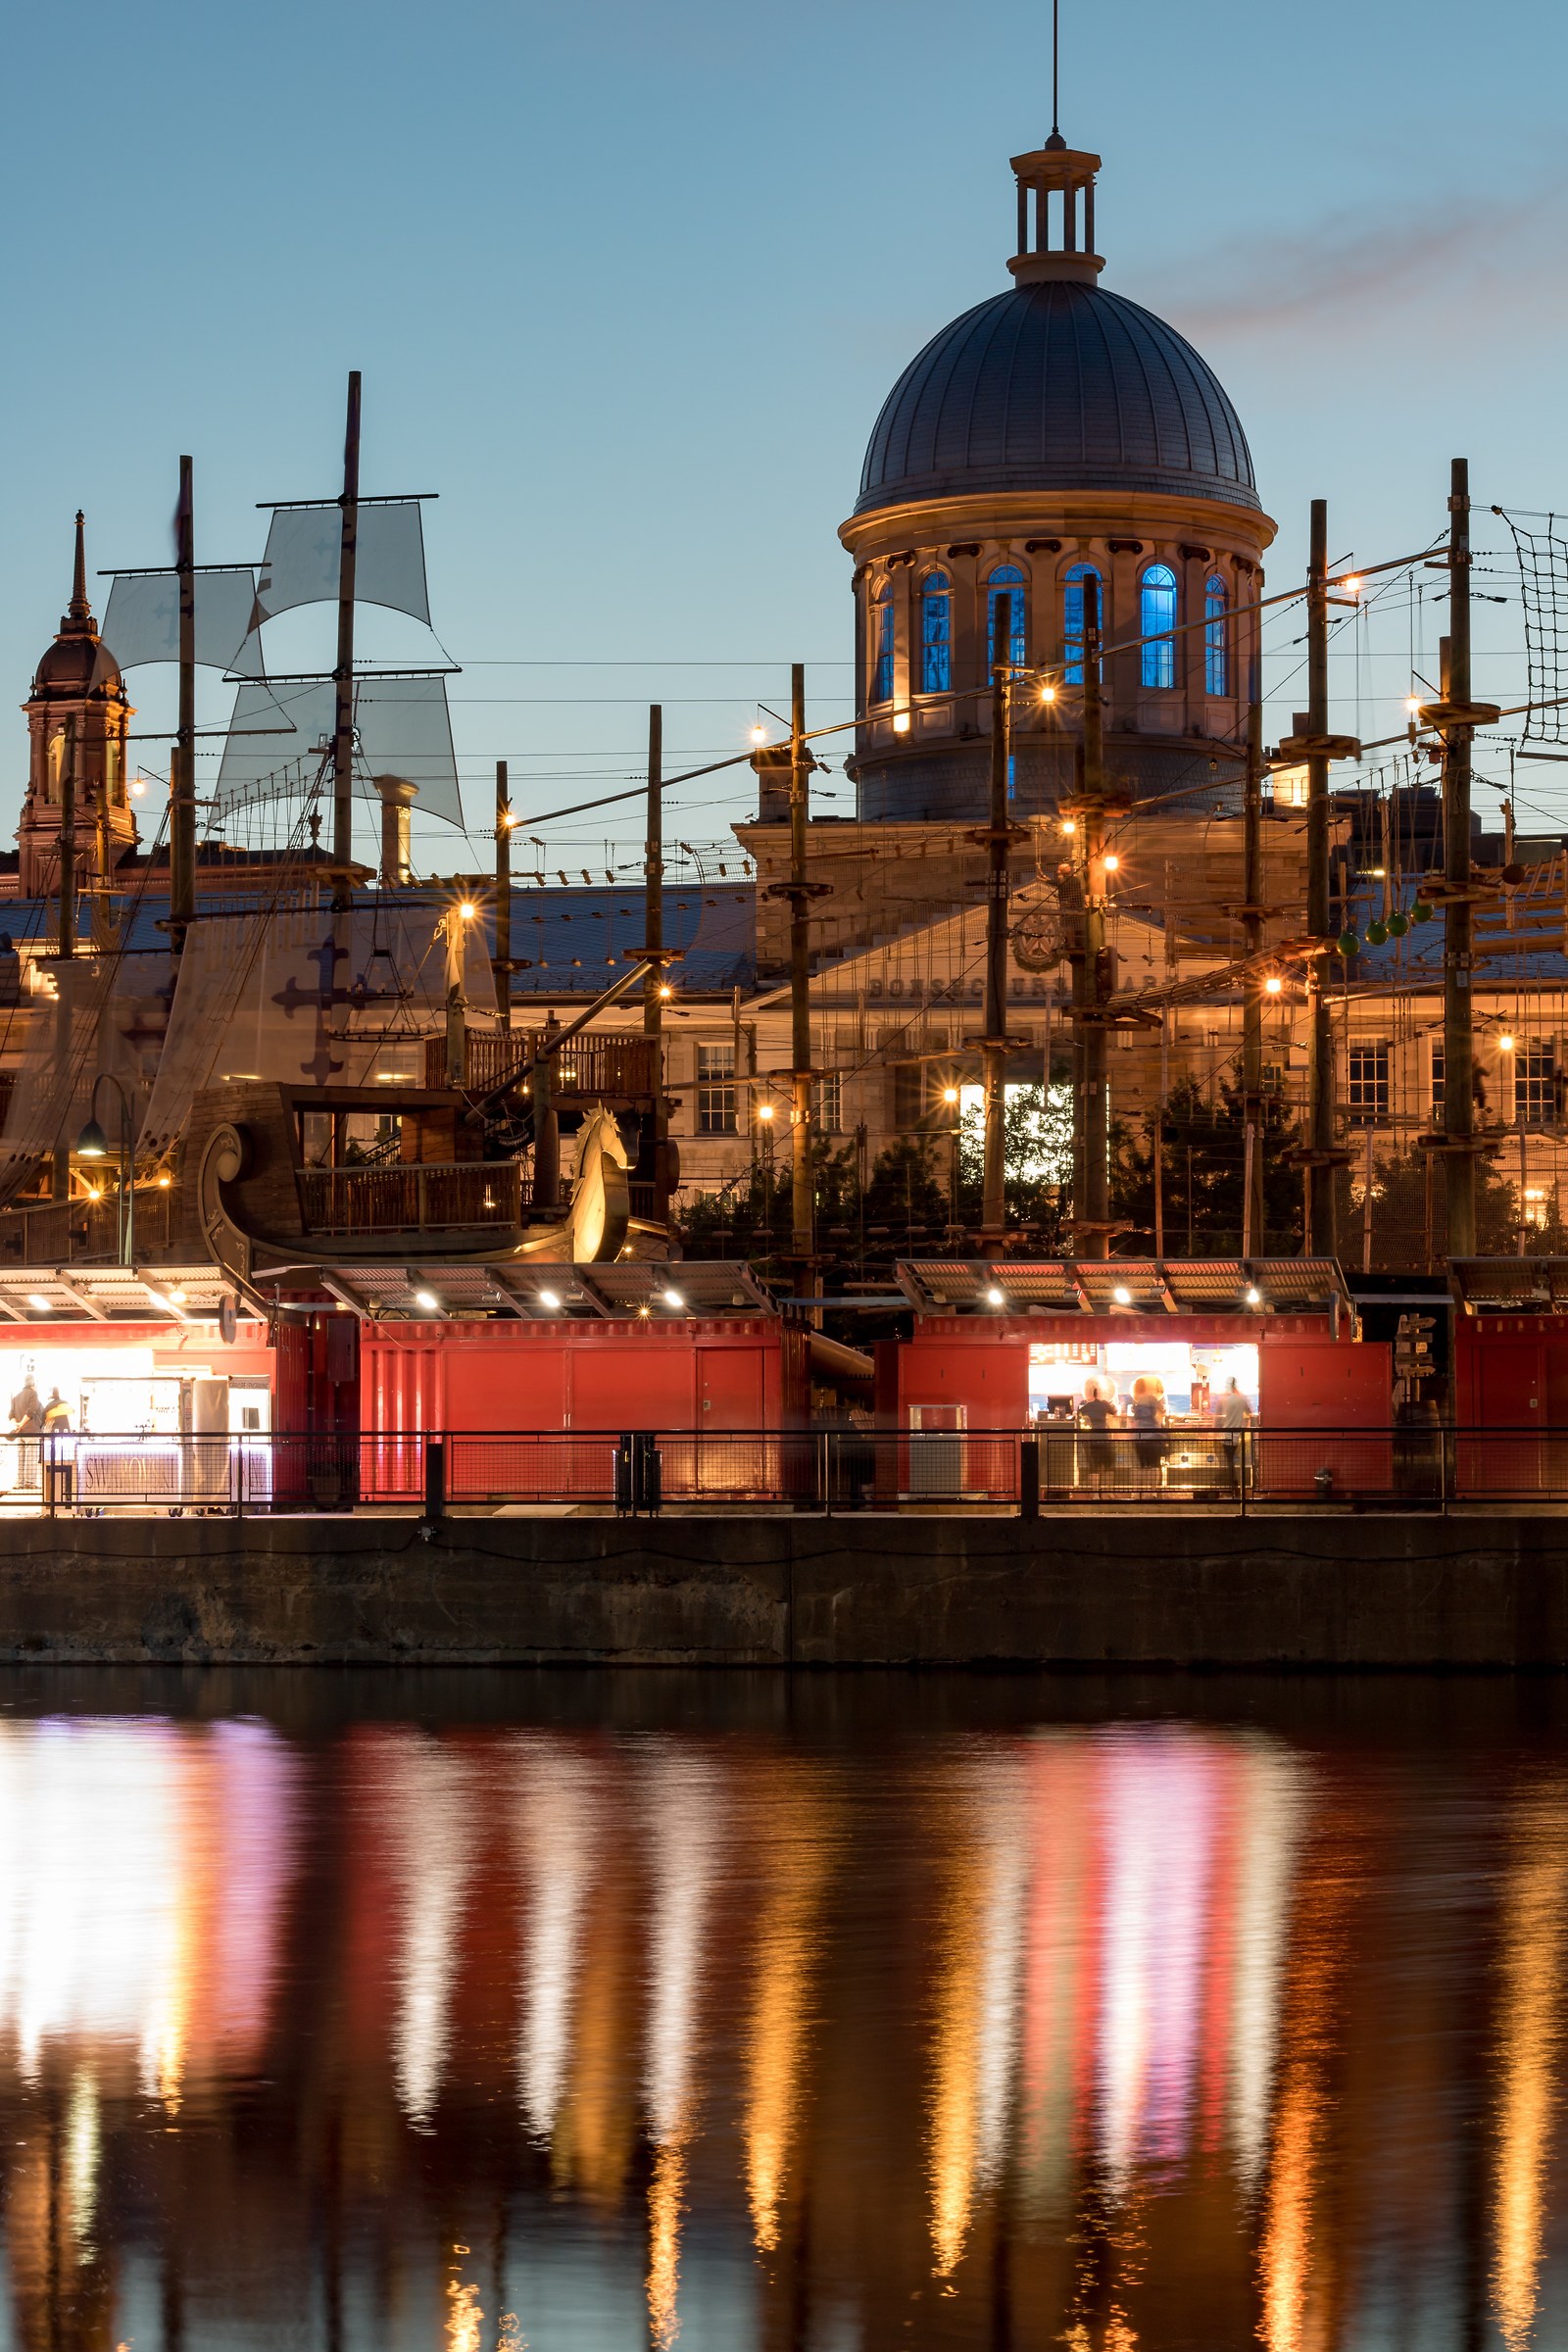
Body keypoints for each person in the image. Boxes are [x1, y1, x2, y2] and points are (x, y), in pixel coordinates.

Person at [1076, 1377, 1118, 1490]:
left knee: (1093, 1467)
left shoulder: (1085, 1407)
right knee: (1109, 1466)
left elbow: (1078, 1417)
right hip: (1104, 1439)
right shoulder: (1104, 1404)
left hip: (1090, 1441)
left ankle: (1095, 1494)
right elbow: (1114, 1412)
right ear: (1100, 1391)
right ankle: (1109, 1491)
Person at [1129, 1375, 1167, 1489]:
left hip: (1138, 1438)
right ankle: (1152, 1491)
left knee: (1140, 1465)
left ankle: (1137, 1492)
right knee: (1154, 1464)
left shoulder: (1136, 1403)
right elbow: (1162, 1411)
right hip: (1152, 1437)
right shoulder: (1152, 1399)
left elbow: (1134, 1420)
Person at [8, 1374, 42, 1493]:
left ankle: (20, 1482)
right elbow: (31, 1411)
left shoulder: (15, 1398)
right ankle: (29, 1482)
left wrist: (17, 1425)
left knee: (21, 1457)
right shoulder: (33, 1394)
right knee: (31, 1457)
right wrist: (21, 1424)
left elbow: (10, 1415)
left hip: (19, 1433)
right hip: (31, 1431)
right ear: (33, 1383)